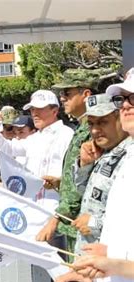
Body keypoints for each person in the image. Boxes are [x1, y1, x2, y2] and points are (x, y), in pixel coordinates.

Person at [71, 68, 134, 282]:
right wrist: (108, 255)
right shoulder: (129, 156)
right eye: (123, 99)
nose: (127, 106)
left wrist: (113, 264)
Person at [54, 94, 130, 282]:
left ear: (120, 117)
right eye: (91, 123)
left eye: (103, 122)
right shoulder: (104, 152)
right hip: (93, 267)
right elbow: (83, 196)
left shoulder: (129, 156)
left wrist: (95, 223)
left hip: (115, 273)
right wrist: (85, 166)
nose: (95, 130)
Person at [36, 69, 111, 251]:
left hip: (84, 224)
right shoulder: (82, 128)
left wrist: (56, 218)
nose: (62, 98)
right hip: (75, 224)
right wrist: (61, 182)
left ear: (86, 94)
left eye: (67, 93)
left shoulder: (93, 132)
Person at [0, 89, 74, 211]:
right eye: (32, 109)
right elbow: (8, 149)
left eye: (40, 109)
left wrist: (58, 180)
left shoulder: (67, 135)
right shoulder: (35, 138)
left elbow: (74, 174)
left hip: (55, 208)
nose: (34, 114)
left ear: (55, 110)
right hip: (32, 207)